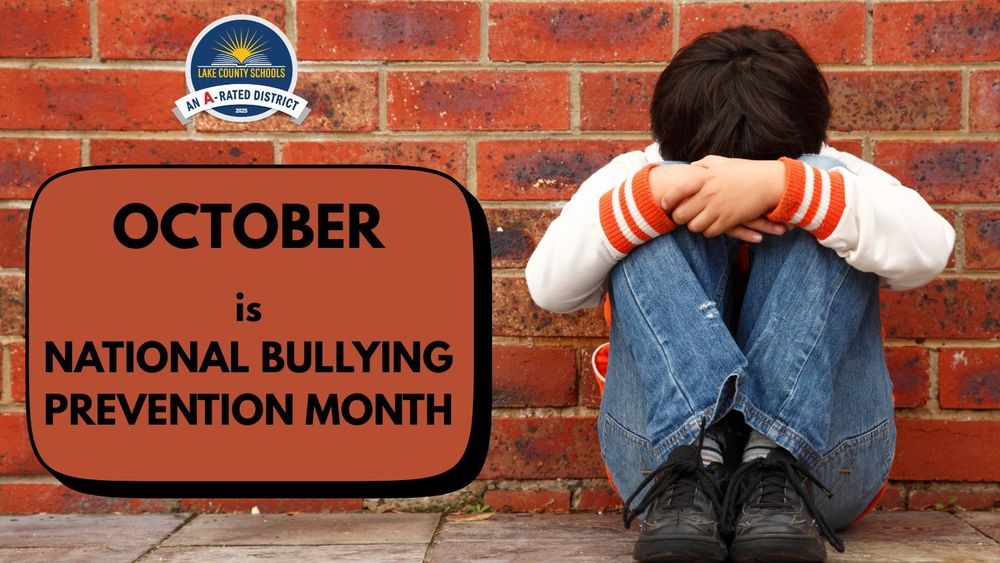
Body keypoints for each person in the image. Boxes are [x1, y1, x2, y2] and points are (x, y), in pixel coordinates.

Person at [525, 26, 955, 563]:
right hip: (662, 469)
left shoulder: (838, 169)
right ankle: (694, 452)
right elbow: (549, 288)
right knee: (637, 207)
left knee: (833, 196)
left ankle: (773, 452)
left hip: (819, 473)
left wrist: (786, 187)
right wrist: (659, 193)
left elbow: (931, 251)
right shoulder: (638, 170)